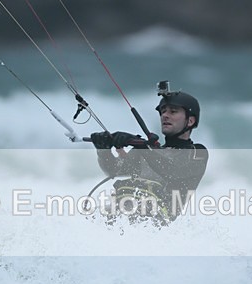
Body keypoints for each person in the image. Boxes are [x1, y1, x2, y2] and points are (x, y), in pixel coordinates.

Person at [89, 85, 208, 224]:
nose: (165, 115)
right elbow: (114, 170)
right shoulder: (149, 150)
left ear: (191, 121)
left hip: (158, 227)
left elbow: (173, 171)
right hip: (121, 219)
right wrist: (103, 151)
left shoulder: (198, 153)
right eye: (163, 111)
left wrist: (143, 147)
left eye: (173, 111)